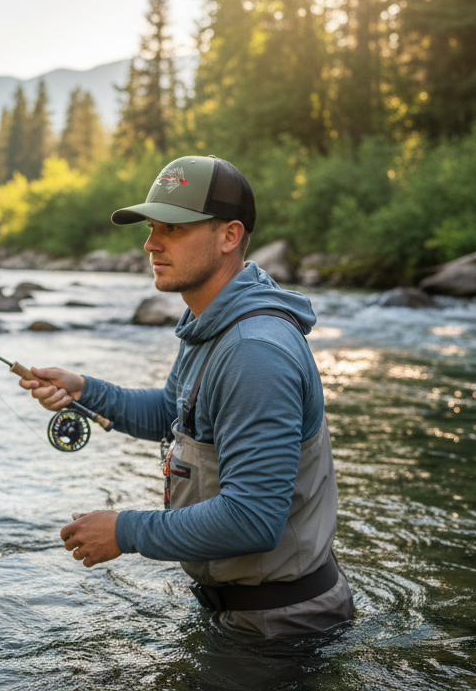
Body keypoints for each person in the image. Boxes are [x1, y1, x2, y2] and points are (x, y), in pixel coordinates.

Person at [18, 155, 353, 638]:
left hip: (282, 629)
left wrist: (124, 531)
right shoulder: (210, 323)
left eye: (172, 228)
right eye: (151, 228)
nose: (151, 244)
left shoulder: (255, 352)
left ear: (229, 236)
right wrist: (86, 391)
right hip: (243, 614)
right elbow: (171, 414)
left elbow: (253, 518)